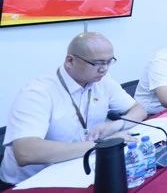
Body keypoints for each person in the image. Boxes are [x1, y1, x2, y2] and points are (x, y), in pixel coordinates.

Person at [0, 32, 147, 185]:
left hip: (75, 167)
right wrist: (101, 145)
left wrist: (116, 125)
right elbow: (26, 152)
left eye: (109, 62)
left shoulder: (102, 81)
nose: (104, 69)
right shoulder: (38, 92)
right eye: (97, 63)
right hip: (30, 184)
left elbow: (139, 110)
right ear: (70, 61)